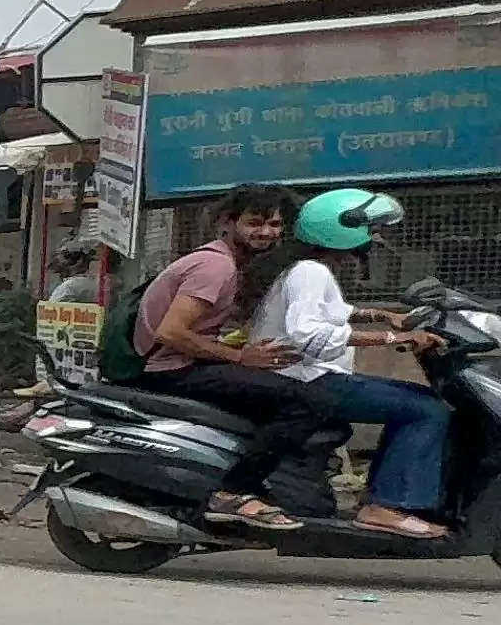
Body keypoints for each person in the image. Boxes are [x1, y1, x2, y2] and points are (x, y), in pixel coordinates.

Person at [248, 186, 453, 538]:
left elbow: (333, 312)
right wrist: (392, 338)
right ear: (343, 229)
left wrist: (381, 315)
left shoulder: (308, 269)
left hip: (311, 377)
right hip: (310, 381)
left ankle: (387, 496)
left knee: (418, 401)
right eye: (370, 229)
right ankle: (385, 506)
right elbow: (308, 335)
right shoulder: (311, 272)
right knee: (426, 409)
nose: (375, 238)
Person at [134, 184, 330, 533]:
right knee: (306, 400)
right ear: (228, 222)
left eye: (274, 224)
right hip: (170, 370)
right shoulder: (215, 266)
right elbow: (171, 332)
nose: (266, 232)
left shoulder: (226, 264)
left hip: (182, 364)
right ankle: (234, 491)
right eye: (255, 223)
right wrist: (240, 356)